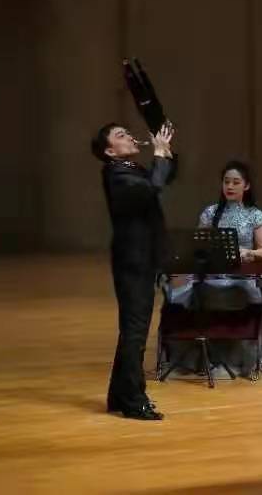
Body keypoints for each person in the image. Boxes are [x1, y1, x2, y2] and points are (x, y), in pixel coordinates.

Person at [166, 161, 262, 377]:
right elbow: (198, 245)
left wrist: (247, 252)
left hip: (241, 276)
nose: (230, 186)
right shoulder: (210, 212)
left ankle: (242, 356)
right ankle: (203, 354)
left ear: (246, 186)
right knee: (181, 299)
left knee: (254, 301)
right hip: (212, 275)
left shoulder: (255, 214)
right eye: (226, 182)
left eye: (236, 182)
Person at [91, 121, 177, 420]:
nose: (129, 136)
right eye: (120, 135)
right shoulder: (116, 174)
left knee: (132, 330)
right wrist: (159, 156)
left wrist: (165, 151)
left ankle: (118, 395)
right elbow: (153, 187)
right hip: (133, 260)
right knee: (135, 331)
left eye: (127, 132)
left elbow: (164, 176)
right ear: (109, 151)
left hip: (142, 258)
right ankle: (133, 401)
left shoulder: (130, 169)